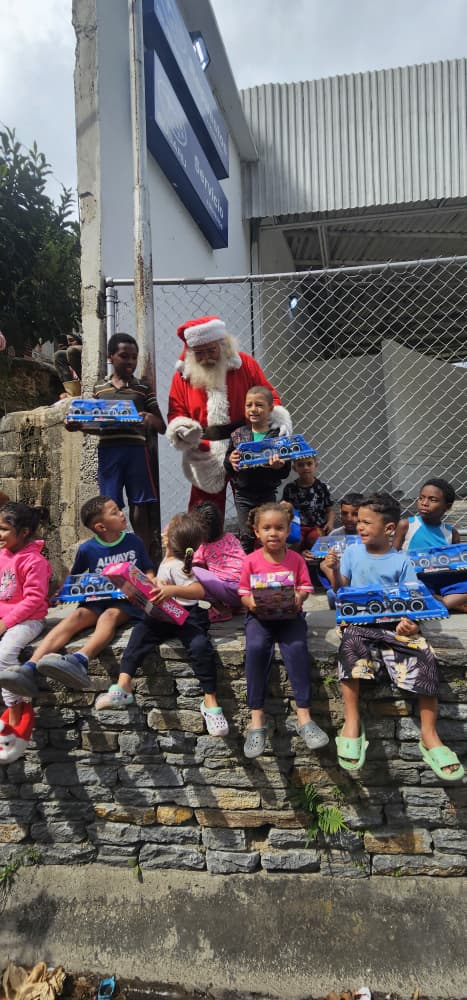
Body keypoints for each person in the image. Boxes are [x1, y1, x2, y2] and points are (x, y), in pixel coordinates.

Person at [322, 492, 464, 781]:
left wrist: (411, 624)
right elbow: (341, 593)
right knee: (350, 648)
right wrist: (333, 572)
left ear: (389, 529)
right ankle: (352, 721)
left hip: (393, 626)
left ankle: (429, 733)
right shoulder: (351, 553)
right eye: (358, 521)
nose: (359, 527)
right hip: (360, 624)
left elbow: (411, 601)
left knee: (424, 655)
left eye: (366, 522)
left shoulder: (402, 561)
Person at [0, 496, 155, 698]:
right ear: (100, 526)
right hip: (96, 599)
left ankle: (81, 659)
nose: (121, 514)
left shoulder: (134, 542)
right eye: (115, 512)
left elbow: (148, 570)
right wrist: (61, 593)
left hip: (126, 602)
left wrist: (151, 583)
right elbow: (74, 577)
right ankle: (30, 666)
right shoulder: (87, 549)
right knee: (76, 616)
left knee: (109, 616)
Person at [96, 512, 229, 736]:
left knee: (199, 647)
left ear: (167, 538)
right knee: (140, 634)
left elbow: (198, 591)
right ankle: (123, 684)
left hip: (187, 616)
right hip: (165, 614)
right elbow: (165, 582)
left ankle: (210, 701)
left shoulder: (178, 564)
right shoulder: (167, 561)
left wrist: (170, 590)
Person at [166, 315, 292, 517]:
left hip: (245, 442)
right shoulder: (183, 376)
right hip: (204, 448)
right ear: (190, 352)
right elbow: (176, 411)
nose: (206, 358)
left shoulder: (245, 364)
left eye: (211, 350)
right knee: (204, 512)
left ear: (223, 345)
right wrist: (181, 429)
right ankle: (202, 548)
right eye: (199, 353)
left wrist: (278, 420)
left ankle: (257, 547)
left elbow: (269, 395)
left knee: (255, 506)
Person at [238, 502, 329, 758]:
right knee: (255, 648)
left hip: (290, 617)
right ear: (257, 532)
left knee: (297, 648)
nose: (273, 533)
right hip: (260, 618)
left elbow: (306, 587)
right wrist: (251, 602)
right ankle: (257, 719)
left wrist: (299, 597)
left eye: (279, 528)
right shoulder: (251, 561)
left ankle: (304, 717)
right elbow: (243, 591)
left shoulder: (296, 559)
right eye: (266, 528)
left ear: (288, 530)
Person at [65, 333, 166, 557]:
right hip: (109, 452)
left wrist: (149, 419)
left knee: (139, 504)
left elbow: (162, 426)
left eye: (134, 357)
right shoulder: (100, 389)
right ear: (111, 357)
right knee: (110, 505)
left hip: (136, 452)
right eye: (124, 356)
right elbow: (96, 424)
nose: (130, 361)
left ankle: (143, 555)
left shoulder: (142, 388)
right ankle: (116, 553)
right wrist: (77, 426)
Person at [0, 502, 52, 763]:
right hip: (6, 617)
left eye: (4, 529)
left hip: (28, 620)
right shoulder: (2, 556)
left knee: (5, 654)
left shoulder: (35, 561)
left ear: (24, 532)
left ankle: (15, 711)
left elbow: (33, 601)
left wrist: (5, 622)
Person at [224, 386, 291, 552]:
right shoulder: (238, 434)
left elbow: (285, 470)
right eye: (249, 405)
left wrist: (278, 467)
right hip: (243, 494)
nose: (253, 409)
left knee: (268, 533)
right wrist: (230, 461)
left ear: (271, 409)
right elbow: (228, 465)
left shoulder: (278, 436)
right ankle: (246, 570)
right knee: (246, 535)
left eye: (259, 405)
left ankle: (269, 567)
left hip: (267, 493)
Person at [393, 477, 467, 612]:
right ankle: (450, 604)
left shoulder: (451, 533)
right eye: (421, 498)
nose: (424, 503)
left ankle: (440, 602)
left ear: (448, 506)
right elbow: (393, 556)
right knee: (412, 587)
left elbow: (457, 566)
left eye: (433, 500)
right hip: (417, 578)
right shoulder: (407, 525)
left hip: (444, 580)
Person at [191, 501, 246, 622]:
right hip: (246, 589)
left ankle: (220, 609)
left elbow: (195, 566)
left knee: (191, 572)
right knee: (220, 573)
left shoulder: (203, 546)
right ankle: (237, 606)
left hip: (229, 589)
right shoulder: (231, 537)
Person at [319, 492, 364, 608]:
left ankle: (342, 594)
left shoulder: (366, 533)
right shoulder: (335, 534)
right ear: (340, 514)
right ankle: (340, 591)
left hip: (360, 575)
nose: (349, 518)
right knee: (323, 565)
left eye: (355, 514)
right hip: (340, 573)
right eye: (345, 513)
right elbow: (326, 556)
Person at [282, 454, 334, 553]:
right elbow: (286, 509)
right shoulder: (290, 488)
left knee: (315, 539)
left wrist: (330, 523)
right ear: (294, 468)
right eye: (301, 465)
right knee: (297, 541)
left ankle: (315, 564)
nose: (305, 467)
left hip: (317, 526)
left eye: (309, 464)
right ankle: (296, 562)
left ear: (316, 465)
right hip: (298, 526)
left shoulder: (322, 487)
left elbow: (330, 509)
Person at [54, 332, 83, 397]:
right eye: (67, 342)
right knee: (58, 355)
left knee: (70, 351)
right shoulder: (66, 366)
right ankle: (72, 393)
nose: (69, 343)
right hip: (75, 391)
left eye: (72, 340)